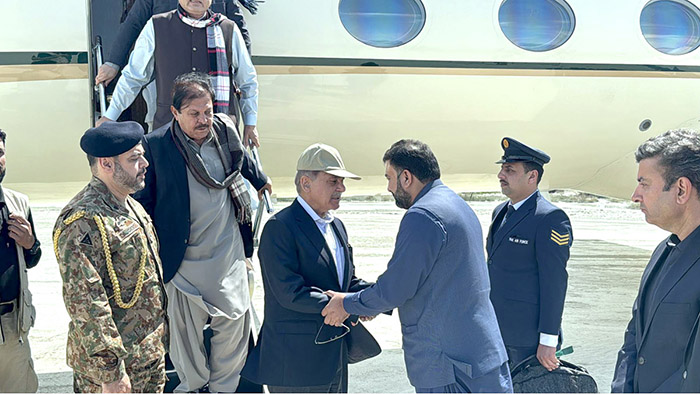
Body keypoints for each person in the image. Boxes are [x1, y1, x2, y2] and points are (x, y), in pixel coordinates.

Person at [322, 139, 512, 393]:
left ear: (407, 177)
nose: (388, 187)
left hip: (450, 367)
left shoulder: (422, 216)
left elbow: (395, 289)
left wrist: (346, 304)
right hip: (482, 356)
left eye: (390, 177)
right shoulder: (457, 205)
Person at [133, 72, 271, 392]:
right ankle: (193, 386)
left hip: (225, 247)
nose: (203, 119)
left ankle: (223, 387)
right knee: (184, 336)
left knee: (236, 320)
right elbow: (144, 200)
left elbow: (241, 160)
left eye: (207, 111)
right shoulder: (155, 146)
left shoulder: (224, 130)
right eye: (194, 113)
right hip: (181, 257)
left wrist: (261, 180)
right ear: (175, 113)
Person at [241, 143, 376, 393]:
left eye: (342, 182)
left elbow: (346, 283)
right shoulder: (280, 227)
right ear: (306, 183)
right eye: (333, 181)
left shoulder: (337, 227)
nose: (342, 188)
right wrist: (348, 305)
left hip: (333, 358)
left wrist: (377, 295)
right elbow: (289, 291)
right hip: (295, 365)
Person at [53, 121, 167, 393]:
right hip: (115, 371)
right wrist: (111, 373)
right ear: (106, 164)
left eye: (142, 155)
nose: (145, 164)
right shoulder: (83, 221)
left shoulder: (130, 205)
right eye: (134, 158)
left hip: (146, 356)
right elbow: (87, 302)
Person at [98, 0, 260, 147]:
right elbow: (133, 76)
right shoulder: (156, 26)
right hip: (168, 132)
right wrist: (110, 116)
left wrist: (250, 123)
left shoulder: (228, 29)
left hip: (218, 135)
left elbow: (247, 80)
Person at [611, 129, 700, 393]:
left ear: (681, 189)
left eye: (644, 183)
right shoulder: (664, 250)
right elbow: (634, 337)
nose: (635, 195)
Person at [485, 137, 572, 370]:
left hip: (527, 339)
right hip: (496, 331)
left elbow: (554, 283)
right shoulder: (500, 212)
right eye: (502, 169)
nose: (500, 175)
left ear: (532, 176)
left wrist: (548, 340)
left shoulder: (550, 219)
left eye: (509, 170)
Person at [0, 130, 41, 393]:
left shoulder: (18, 203)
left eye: (0, 153)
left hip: (13, 326)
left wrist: (29, 243)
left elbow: (31, 259)